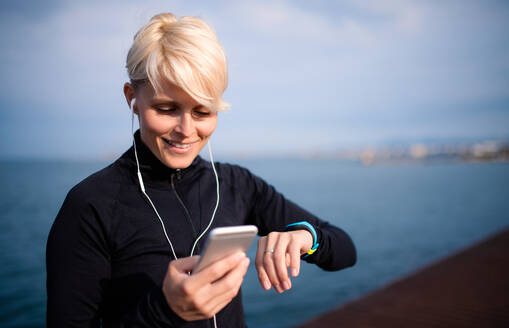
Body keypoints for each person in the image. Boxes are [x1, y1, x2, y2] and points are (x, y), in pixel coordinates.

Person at [46, 13, 356, 328]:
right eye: (166, 109)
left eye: (202, 111)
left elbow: (345, 250)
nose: (186, 129)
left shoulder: (237, 184)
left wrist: (307, 237)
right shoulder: (91, 205)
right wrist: (164, 311)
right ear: (132, 98)